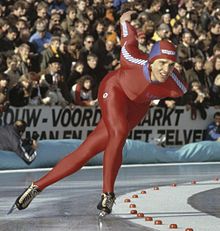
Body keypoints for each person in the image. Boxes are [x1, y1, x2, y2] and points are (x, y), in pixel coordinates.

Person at [13, 11, 187, 217]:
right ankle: (108, 193)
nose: (166, 69)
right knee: (119, 131)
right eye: (162, 63)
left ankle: (36, 186)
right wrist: (125, 22)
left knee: (87, 150)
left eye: (170, 64)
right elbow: (129, 41)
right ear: (151, 60)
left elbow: (180, 84)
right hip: (114, 89)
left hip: (138, 105)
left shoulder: (177, 86)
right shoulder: (133, 60)